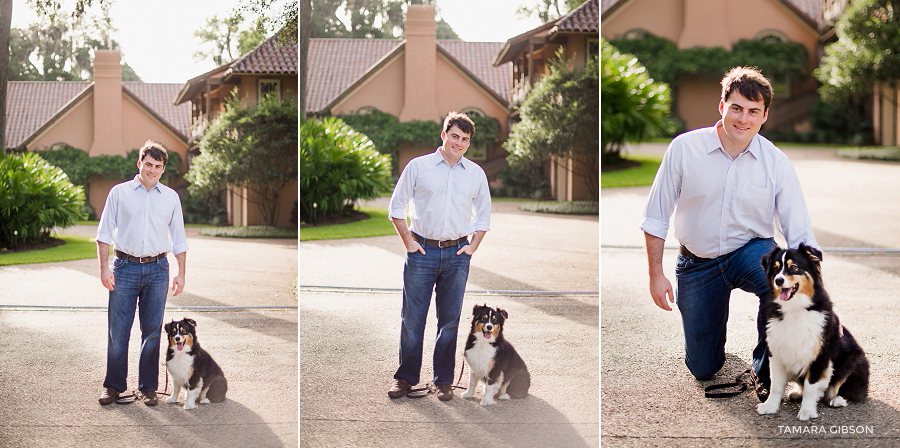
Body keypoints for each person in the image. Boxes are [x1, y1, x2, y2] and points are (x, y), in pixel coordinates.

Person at [640, 67, 819, 400]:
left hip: (751, 251)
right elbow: (655, 216)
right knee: (703, 368)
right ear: (722, 106)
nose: (743, 118)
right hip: (697, 263)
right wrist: (656, 275)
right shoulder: (684, 149)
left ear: (764, 115)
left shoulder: (775, 162)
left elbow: (799, 231)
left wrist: (811, 284)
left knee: (780, 287)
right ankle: (711, 348)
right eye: (736, 108)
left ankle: (765, 373)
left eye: (753, 111)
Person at [386, 111, 491, 401]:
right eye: (455, 136)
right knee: (412, 320)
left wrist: (472, 246)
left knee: (449, 321)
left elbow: (483, 215)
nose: (459, 143)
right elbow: (397, 208)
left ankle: (443, 380)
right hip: (422, 252)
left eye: (465, 139)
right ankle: (405, 378)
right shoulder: (418, 167)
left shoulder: (475, 174)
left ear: (469, 143)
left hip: (457, 255)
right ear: (444, 135)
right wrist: (408, 243)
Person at [95, 140, 188, 406]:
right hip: (124, 268)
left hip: (158, 269)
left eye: (158, 167)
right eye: (148, 164)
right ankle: (113, 386)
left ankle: (148, 387)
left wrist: (181, 273)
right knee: (118, 331)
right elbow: (103, 235)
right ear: (139, 164)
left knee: (152, 332)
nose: (152, 170)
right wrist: (104, 268)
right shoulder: (119, 193)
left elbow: (179, 239)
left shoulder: (171, 197)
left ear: (162, 169)